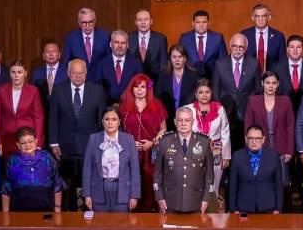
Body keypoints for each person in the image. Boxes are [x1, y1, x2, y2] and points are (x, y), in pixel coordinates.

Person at [48, 59, 107, 211]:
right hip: (64, 147)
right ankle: (69, 213)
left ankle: (87, 212)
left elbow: (102, 119)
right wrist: (53, 143)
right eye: (74, 73)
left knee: (88, 181)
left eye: (81, 73)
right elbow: (53, 117)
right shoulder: (58, 89)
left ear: (86, 73)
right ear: (68, 73)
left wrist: (100, 143)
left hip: (89, 145)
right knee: (68, 183)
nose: (78, 76)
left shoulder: (97, 90)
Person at [119, 74, 167, 212]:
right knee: (131, 180)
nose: (139, 90)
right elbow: (119, 130)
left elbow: (163, 128)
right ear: (132, 88)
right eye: (136, 86)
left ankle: (150, 211)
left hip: (150, 152)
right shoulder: (124, 106)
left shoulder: (157, 105)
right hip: (130, 151)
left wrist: (152, 142)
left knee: (149, 181)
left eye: (143, 87)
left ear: (148, 89)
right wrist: (129, 143)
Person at [181, 78, 231, 207]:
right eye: (201, 92)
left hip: (215, 151)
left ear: (211, 93)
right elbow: (182, 131)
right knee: (194, 182)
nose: (204, 95)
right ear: (196, 94)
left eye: (207, 92)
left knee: (213, 184)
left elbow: (225, 132)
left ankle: (212, 212)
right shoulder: (188, 109)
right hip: (194, 151)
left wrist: (226, 155)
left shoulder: (220, 109)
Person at [153, 107, 214, 213]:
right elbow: (157, 173)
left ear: (193, 121)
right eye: (180, 120)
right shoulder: (164, 141)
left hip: (196, 202)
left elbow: (209, 175)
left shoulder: (204, 142)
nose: (183, 123)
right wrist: (159, 197)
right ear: (175, 122)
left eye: (187, 120)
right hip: (170, 201)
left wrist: (206, 198)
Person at [82, 107, 140, 212]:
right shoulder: (93, 139)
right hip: (98, 191)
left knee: (121, 225)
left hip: (122, 191)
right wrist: (87, 194)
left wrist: (134, 195)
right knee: (99, 224)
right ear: (102, 121)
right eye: (107, 119)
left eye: (114, 119)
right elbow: (87, 169)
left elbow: (135, 170)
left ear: (119, 122)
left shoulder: (129, 139)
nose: (110, 123)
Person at [244, 71, 295, 182]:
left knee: (281, 182)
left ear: (278, 84)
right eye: (267, 83)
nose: (271, 86)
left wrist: (289, 150)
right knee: (260, 180)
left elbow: (290, 127)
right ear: (262, 83)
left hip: (281, 149)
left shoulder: (285, 101)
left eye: (274, 83)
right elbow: (248, 125)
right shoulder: (253, 101)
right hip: (258, 148)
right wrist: (249, 146)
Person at [1, 127, 64, 212]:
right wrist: (5, 213)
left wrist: (57, 207)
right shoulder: (14, 160)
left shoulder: (47, 158)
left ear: (36, 141)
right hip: (19, 212)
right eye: (23, 143)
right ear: (18, 145)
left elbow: (57, 184)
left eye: (30, 141)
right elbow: (6, 188)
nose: (27, 145)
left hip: (46, 210)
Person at [0, 60, 44, 157]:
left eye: (19, 72)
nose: (16, 75)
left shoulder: (33, 91)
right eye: (13, 72)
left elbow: (38, 118)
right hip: (7, 139)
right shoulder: (1, 90)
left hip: (27, 140)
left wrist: (39, 142)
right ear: (10, 74)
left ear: (25, 73)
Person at [228, 125, 283, 214]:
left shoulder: (273, 156)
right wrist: (233, 209)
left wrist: (279, 207)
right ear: (246, 139)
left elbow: (278, 184)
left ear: (263, 139)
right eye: (251, 138)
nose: (254, 141)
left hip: (269, 208)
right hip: (243, 209)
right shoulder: (237, 156)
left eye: (257, 138)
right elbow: (233, 185)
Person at [212, 33, 261, 124]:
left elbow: (258, 89)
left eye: (241, 47)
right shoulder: (219, 64)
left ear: (246, 48)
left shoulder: (254, 64)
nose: (237, 50)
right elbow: (215, 91)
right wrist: (220, 111)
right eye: (234, 46)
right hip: (226, 113)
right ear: (230, 46)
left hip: (247, 112)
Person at [90, 30, 144, 105]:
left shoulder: (136, 64)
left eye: (123, 43)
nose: (120, 46)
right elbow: (97, 88)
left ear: (127, 45)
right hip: (107, 107)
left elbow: (139, 86)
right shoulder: (101, 64)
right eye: (116, 42)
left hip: (130, 106)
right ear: (110, 44)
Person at [155, 44, 199, 130]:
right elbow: (158, 98)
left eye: (180, 57)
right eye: (174, 57)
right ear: (170, 59)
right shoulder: (162, 75)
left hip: (188, 119)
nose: (177, 60)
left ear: (185, 58)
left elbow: (196, 99)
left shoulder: (194, 75)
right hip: (168, 119)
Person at [272, 34, 303, 115]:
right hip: (282, 112)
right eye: (292, 47)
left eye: (299, 47)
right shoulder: (276, 68)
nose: (295, 50)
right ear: (287, 49)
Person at [178, 10, 228, 78]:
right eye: (198, 22)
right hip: (190, 78)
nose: (201, 25)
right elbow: (180, 59)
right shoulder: (184, 38)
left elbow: (223, 61)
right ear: (193, 23)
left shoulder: (218, 38)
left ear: (209, 23)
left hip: (212, 78)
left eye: (204, 22)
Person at [61, 7, 111, 75]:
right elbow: (65, 64)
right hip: (78, 81)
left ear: (95, 21)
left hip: (100, 80)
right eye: (84, 22)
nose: (87, 26)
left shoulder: (105, 36)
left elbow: (109, 61)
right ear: (79, 22)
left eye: (90, 22)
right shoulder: (71, 38)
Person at [241, 3, 286, 73]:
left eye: (264, 16)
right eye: (257, 16)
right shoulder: (244, 35)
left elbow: (282, 62)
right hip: (249, 78)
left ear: (269, 17)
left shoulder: (279, 36)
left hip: (271, 79)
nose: (260, 19)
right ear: (252, 18)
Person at [128, 8, 168, 81]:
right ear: (136, 22)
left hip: (155, 82)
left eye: (146, 19)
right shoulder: (128, 38)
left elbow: (164, 64)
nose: (143, 22)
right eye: (140, 20)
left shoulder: (161, 39)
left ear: (151, 21)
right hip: (133, 82)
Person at [30, 40, 68, 111]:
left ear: (59, 55)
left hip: (62, 112)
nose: (51, 54)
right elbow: (33, 95)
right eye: (48, 52)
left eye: (54, 51)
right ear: (43, 56)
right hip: (42, 112)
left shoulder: (67, 72)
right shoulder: (36, 73)